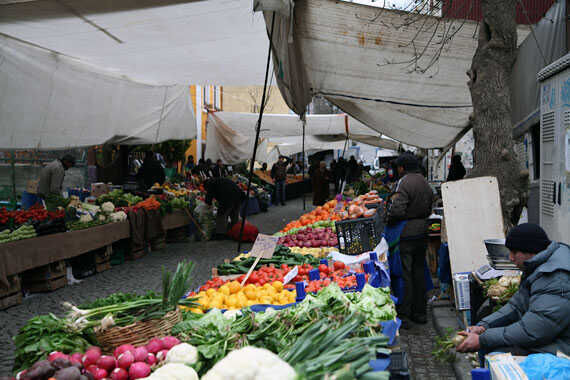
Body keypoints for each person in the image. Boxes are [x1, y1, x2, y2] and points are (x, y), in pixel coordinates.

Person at [457, 223, 570, 361]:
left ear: (530, 251)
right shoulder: (539, 266)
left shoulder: (555, 278)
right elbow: (516, 306)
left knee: (498, 355)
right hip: (554, 337)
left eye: (514, 252)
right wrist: (483, 326)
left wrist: (483, 339)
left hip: (563, 347)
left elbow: (533, 330)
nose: (510, 257)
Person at [385, 153, 434, 328]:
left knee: (404, 274)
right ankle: (420, 313)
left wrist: (389, 219)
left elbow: (396, 210)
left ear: (402, 168)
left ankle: (404, 314)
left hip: (405, 233)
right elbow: (429, 206)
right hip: (422, 232)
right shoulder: (424, 182)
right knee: (419, 272)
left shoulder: (404, 182)